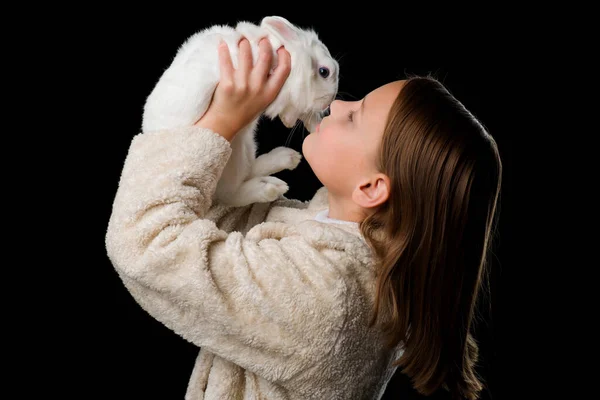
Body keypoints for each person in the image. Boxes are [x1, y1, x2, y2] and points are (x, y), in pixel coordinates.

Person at [106, 37, 502, 400]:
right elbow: (204, 216)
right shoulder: (320, 236)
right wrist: (233, 120)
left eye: (353, 118)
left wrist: (223, 123)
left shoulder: (330, 295)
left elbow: (147, 241)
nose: (339, 104)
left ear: (370, 188)